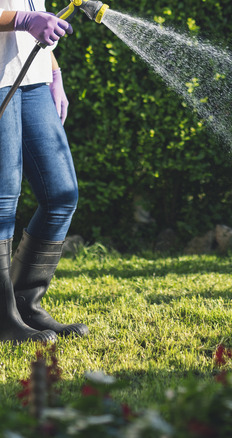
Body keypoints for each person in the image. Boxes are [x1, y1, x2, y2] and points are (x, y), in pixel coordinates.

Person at [0, 0, 87, 343]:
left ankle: (25, 303)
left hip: (33, 79)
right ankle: (3, 318)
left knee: (61, 195)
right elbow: (27, 15)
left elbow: (38, 13)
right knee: (3, 200)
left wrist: (54, 72)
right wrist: (24, 19)